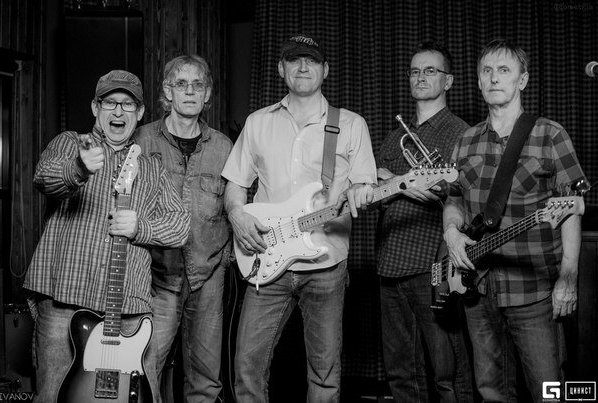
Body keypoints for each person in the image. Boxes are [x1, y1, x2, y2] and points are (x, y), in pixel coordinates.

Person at [221, 33, 377, 402]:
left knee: (324, 374)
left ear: (326, 70)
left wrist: (363, 193)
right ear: (281, 69)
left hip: (326, 265)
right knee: (247, 367)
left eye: (311, 60)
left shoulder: (351, 124)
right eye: (294, 60)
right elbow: (235, 185)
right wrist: (236, 215)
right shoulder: (257, 122)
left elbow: (364, 185)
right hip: (265, 260)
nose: (303, 67)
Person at [24, 69, 190, 403]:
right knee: (52, 395)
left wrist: (140, 227)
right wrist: (79, 168)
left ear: (139, 113)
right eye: (110, 102)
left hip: (127, 308)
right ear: (95, 107)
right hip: (65, 299)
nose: (118, 111)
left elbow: (181, 224)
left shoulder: (152, 168)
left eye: (127, 104)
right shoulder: (71, 143)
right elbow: (45, 177)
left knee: (139, 398)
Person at [443, 39, 587, 402]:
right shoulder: (465, 140)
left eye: (504, 70)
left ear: (522, 80)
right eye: (487, 71)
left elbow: (570, 209)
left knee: (549, 392)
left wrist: (568, 278)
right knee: (490, 391)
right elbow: (454, 199)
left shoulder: (549, 134)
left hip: (534, 292)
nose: (494, 78)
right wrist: (452, 232)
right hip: (477, 288)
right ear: (478, 81)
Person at [349, 41, 474, 403]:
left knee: (448, 372)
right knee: (401, 372)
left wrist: (391, 180)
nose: (421, 77)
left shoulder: (461, 132)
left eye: (430, 70)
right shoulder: (395, 137)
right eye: (415, 71)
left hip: (432, 263)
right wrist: (402, 183)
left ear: (448, 81)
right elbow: (370, 188)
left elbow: (452, 192)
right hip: (390, 262)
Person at [134, 54, 233, 402]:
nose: (190, 91)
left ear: (207, 94)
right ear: (167, 91)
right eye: (181, 84)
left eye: (197, 85)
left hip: (208, 276)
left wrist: (226, 260)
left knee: (206, 380)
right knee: (145, 371)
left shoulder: (223, 146)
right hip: (156, 277)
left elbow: (233, 207)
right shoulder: (142, 140)